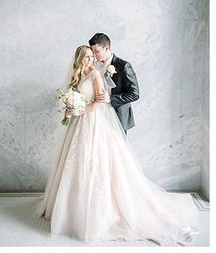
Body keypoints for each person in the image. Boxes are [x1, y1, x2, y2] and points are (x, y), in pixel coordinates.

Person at [37, 45, 199, 245]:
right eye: (85, 57)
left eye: (91, 56)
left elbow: (100, 102)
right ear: (78, 59)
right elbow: (75, 98)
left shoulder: (96, 75)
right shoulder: (78, 76)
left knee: (97, 163)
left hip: (94, 122)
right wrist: (70, 108)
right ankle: (69, 208)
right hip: (78, 124)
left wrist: (80, 110)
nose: (88, 59)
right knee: (75, 162)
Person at [89, 32, 139, 135]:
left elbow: (134, 94)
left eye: (96, 51)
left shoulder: (123, 66)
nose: (94, 55)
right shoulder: (93, 65)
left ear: (106, 48)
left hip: (118, 116)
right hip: (97, 114)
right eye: (92, 51)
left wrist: (111, 99)